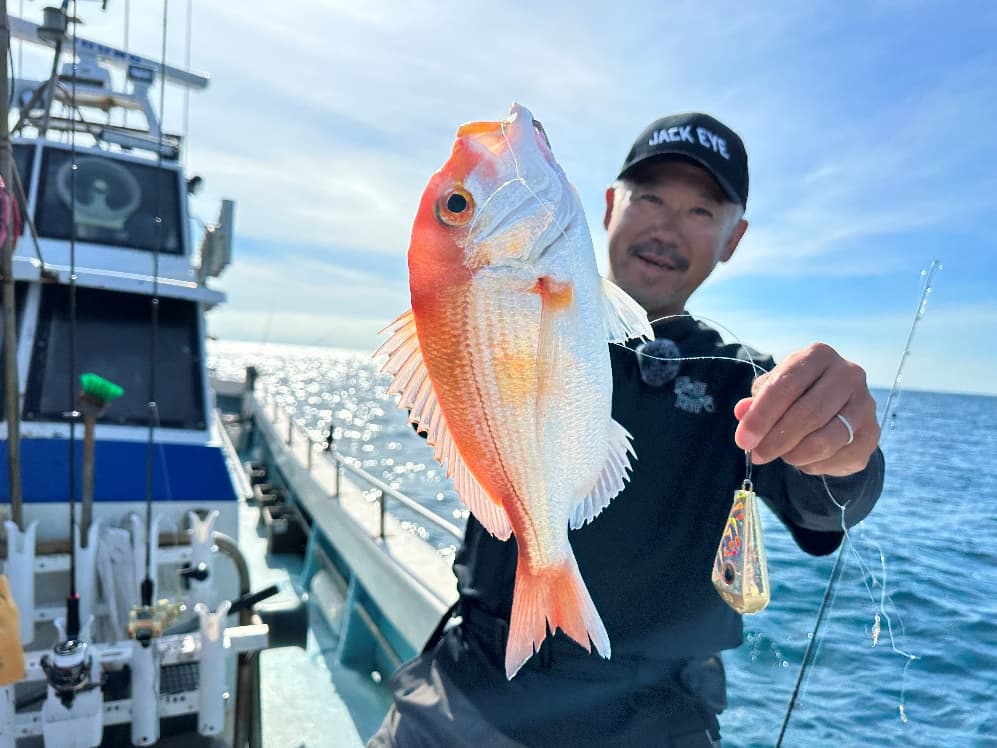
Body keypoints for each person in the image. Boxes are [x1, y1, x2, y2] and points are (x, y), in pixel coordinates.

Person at [368, 112, 885, 747]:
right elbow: (455, 402)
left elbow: (825, 511)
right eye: (650, 197)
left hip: (657, 719)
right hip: (470, 685)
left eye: (702, 210)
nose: (667, 226)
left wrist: (844, 451)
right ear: (610, 205)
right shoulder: (544, 312)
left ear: (734, 239)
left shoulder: (747, 383)